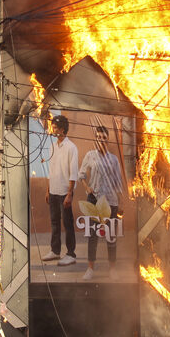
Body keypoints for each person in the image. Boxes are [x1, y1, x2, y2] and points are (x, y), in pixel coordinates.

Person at [78, 125, 122, 280]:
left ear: (107, 140)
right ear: (95, 139)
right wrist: (87, 187)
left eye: (104, 138)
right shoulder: (90, 156)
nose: (101, 140)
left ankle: (113, 269)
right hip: (94, 200)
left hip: (110, 200)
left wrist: (120, 202)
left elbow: (118, 181)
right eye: (99, 137)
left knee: (111, 235)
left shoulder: (113, 159)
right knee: (92, 236)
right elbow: (81, 174)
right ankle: (90, 269)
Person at [43, 115, 79, 266]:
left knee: (67, 223)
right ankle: (55, 251)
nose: (53, 129)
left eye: (56, 127)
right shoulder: (52, 146)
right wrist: (48, 190)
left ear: (63, 129)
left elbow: (73, 172)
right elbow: (52, 170)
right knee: (54, 222)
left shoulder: (71, 148)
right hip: (53, 191)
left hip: (65, 192)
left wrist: (70, 194)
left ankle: (71, 254)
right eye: (53, 127)